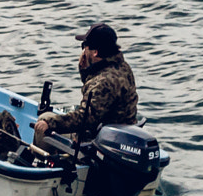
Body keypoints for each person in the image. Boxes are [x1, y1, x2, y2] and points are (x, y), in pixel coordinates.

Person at [32, 22, 139, 156]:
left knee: (45, 118)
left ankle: (39, 166)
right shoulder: (122, 67)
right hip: (118, 134)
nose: (83, 50)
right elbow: (95, 95)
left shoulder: (104, 82)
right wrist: (84, 69)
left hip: (93, 142)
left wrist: (49, 123)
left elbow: (85, 118)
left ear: (95, 52)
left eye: (84, 46)